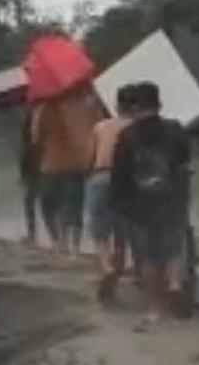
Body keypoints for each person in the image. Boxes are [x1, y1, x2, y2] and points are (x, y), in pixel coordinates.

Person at [110, 81, 192, 320]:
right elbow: (184, 165)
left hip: (139, 206)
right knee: (174, 248)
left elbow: (119, 175)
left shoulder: (126, 136)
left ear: (135, 108)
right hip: (171, 200)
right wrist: (184, 198)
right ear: (159, 104)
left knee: (146, 257)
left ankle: (154, 309)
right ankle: (175, 283)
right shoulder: (175, 130)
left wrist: (116, 204)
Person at [29, 85, 97, 251]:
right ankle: (75, 247)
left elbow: (35, 138)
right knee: (74, 206)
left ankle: (58, 242)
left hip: (51, 165)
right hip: (77, 164)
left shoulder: (43, 109)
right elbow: (95, 132)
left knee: (50, 206)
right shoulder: (84, 106)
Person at [84, 86, 135, 304]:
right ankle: (119, 266)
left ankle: (106, 267)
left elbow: (91, 157)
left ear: (116, 105)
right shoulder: (138, 128)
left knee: (99, 232)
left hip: (101, 176)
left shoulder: (101, 126)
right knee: (122, 231)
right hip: (128, 182)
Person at [18, 107, 40, 245]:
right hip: (46, 171)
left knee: (29, 202)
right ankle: (59, 237)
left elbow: (24, 158)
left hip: (34, 174)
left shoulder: (28, 140)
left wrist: (23, 175)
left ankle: (32, 235)